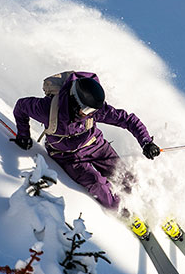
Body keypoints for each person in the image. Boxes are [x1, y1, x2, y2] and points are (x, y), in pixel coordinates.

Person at [12, 71, 160, 215]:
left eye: (93, 110)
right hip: (69, 157)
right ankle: (125, 214)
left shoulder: (95, 111)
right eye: (87, 109)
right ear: (75, 101)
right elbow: (20, 107)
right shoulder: (47, 109)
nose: (90, 113)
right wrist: (23, 134)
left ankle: (148, 204)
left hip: (97, 147)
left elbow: (127, 120)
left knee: (126, 178)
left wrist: (146, 142)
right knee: (98, 184)